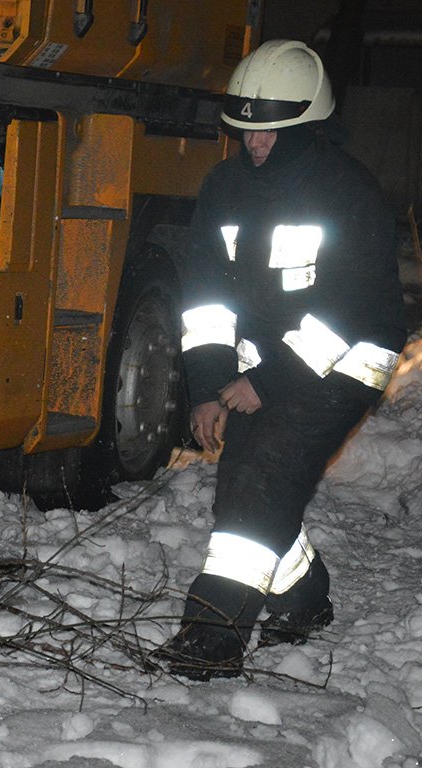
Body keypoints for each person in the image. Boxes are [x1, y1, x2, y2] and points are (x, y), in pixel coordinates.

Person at [159, 39, 408, 680]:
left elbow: (350, 310)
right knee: (255, 487)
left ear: (306, 127)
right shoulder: (224, 188)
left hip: (343, 364)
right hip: (263, 368)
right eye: (247, 131)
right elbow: (207, 301)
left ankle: (211, 636)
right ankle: (303, 600)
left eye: (272, 132)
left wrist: (266, 381)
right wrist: (210, 385)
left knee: (257, 483)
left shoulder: (348, 193)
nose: (257, 144)